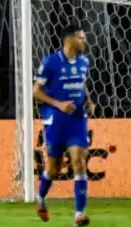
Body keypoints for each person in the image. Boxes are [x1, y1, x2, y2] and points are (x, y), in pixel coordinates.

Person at [33, 25, 95, 226]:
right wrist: (59, 104)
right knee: (54, 169)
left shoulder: (84, 62)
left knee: (79, 161)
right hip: (57, 121)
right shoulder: (50, 62)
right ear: (69, 39)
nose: (84, 41)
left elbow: (82, 83)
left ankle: (79, 214)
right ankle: (40, 198)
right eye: (81, 38)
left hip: (77, 119)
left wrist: (89, 101)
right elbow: (36, 92)